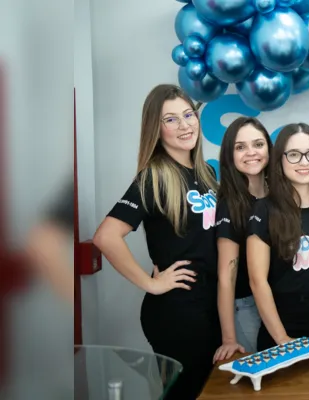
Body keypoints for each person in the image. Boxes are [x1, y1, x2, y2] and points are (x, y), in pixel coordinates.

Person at [93, 84, 220, 399]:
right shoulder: (153, 177)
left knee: (211, 391)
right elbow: (106, 237)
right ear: (157, 129)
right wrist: (152, 284)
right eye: (171, 120)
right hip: (177, 310)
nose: (185, 124)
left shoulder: (207, 174)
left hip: (211, 302)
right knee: (186, 393)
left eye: (188, 115)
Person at [246, 123, 309, 351]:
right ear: (279, 160)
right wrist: (282, 339)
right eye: (294, 155)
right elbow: (258, 281)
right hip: (286, 324)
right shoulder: (264, 210)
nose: (304, 162)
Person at [213, 117, 271, 363]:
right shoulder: (229, 203)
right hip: (246, 307)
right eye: (240, 147)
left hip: (276, 301)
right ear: (229, 155)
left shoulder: (279, 195)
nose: (251, 153)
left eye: (258, 144)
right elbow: (227, 276)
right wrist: (229, 338)